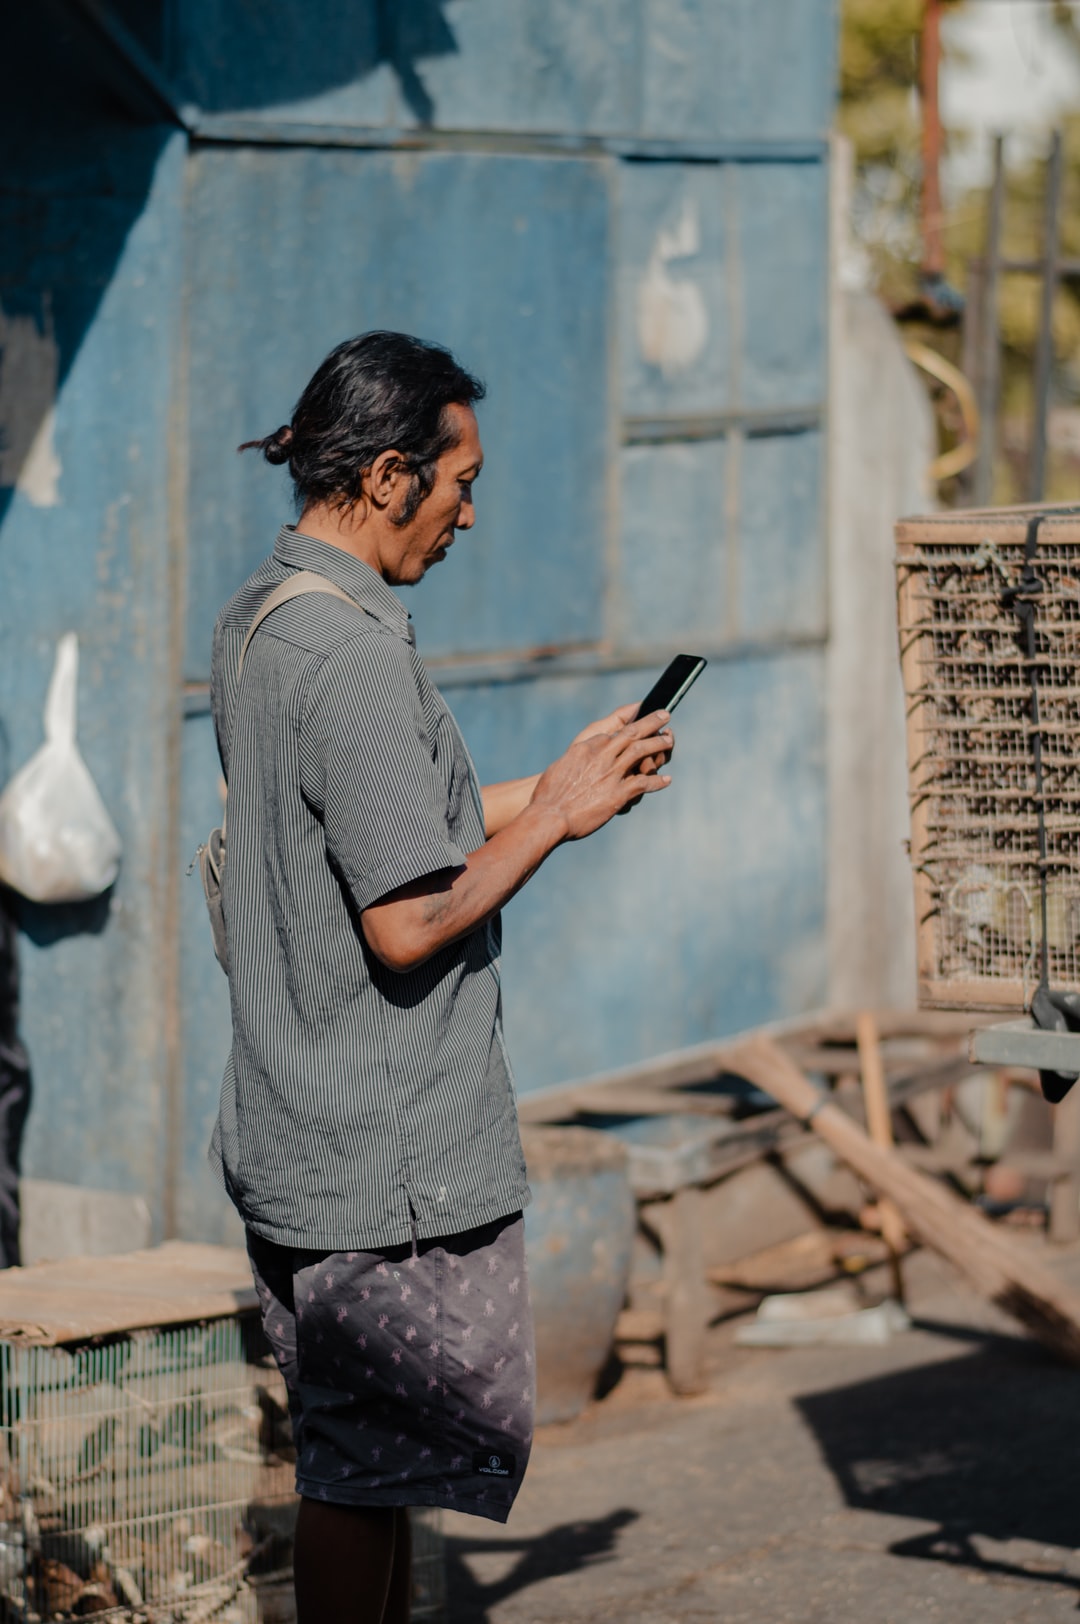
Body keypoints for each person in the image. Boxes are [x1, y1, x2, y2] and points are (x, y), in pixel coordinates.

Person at [210, 331, 674, 1624]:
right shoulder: (349, 655)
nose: (472, 513)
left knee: (365, 1464)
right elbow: (409, 920)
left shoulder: (266, 612)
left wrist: (568, 788)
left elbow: (393, 832)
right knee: (365, 1474)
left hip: (303, 1116)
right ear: (392, 475)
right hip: (384, 1150)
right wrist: (555, 825)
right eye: (462, 483)